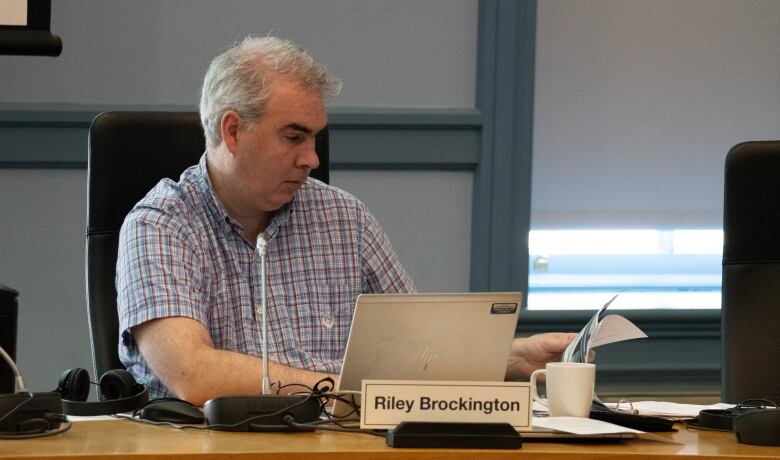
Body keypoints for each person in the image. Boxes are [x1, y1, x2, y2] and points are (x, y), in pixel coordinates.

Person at [116, 36, 578, 406]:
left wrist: (515, 357)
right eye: (294, 137)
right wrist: (341, 392)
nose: (312, 159)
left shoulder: (344, 217)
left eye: (316, 138)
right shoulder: (161, 225)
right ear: (232, 131)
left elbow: (422, 354)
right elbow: (193, 375)